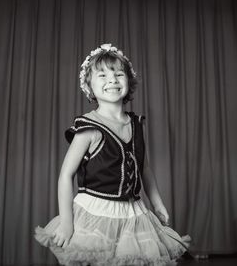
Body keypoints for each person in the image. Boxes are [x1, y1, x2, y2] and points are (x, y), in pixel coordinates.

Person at [35, 43, 190, 266]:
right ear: (89, 86)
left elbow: (144, 168)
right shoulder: (89, 128)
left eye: (119, 74)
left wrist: (157, 204)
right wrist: (67, 222)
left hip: (133, 213)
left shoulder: (137, 124)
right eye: (102, 75)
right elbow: (65, 175)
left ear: (129, 80)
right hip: (95, 212)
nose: (113, 80)